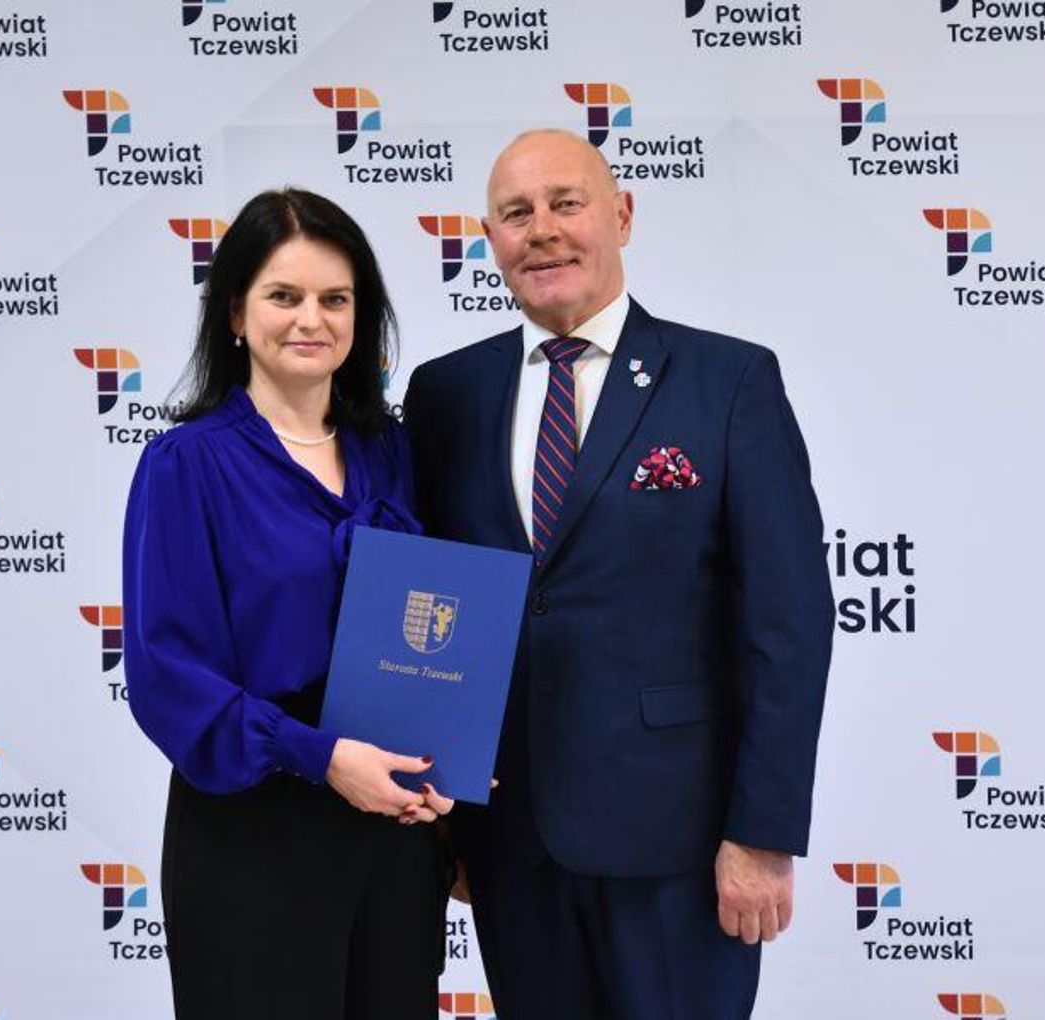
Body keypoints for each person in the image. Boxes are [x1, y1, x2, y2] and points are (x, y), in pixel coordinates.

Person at [403, 130, 834, 1018]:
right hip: (511, 845)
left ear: (623, 215)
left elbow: (788, 625)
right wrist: (443, 820)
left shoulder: (729, 381)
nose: (542, 230)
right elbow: (432, 605)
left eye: (567, 203)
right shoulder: (444, 395)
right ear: (490, 240)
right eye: (516, 213)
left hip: (681, 846)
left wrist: (762, 833)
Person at [122, 188, 453, 1019]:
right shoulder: (185, 465)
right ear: (236, 313)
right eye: (284, 295)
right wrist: (318, 755)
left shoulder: (394, 452)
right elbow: (166, 674)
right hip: (255, 824)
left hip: (393, 831)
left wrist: (447, 757)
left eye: (335, 299)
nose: (312, 319)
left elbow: (436, 626)